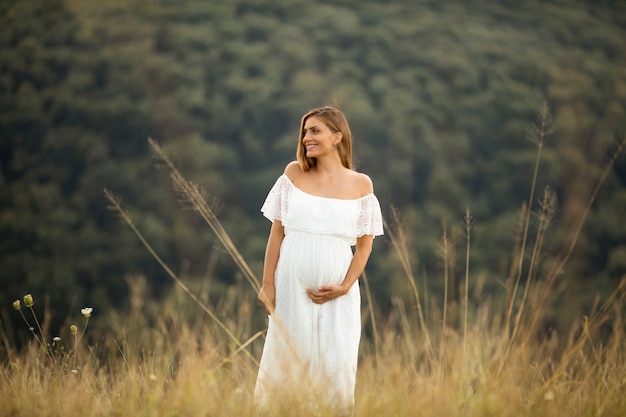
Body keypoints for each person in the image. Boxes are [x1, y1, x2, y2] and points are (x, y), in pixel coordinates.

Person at [254, 106, 384, 415]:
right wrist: (267, 284)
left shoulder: (361, 184)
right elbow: (277, 234)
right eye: (304, 131)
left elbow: (365, 247)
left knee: (335, 367)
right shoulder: (293, 173)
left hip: (338, 295)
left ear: (337, 137)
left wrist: (345, 286)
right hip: (290, 289)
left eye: (315, 131)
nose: (306, 137)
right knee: (287, 365)